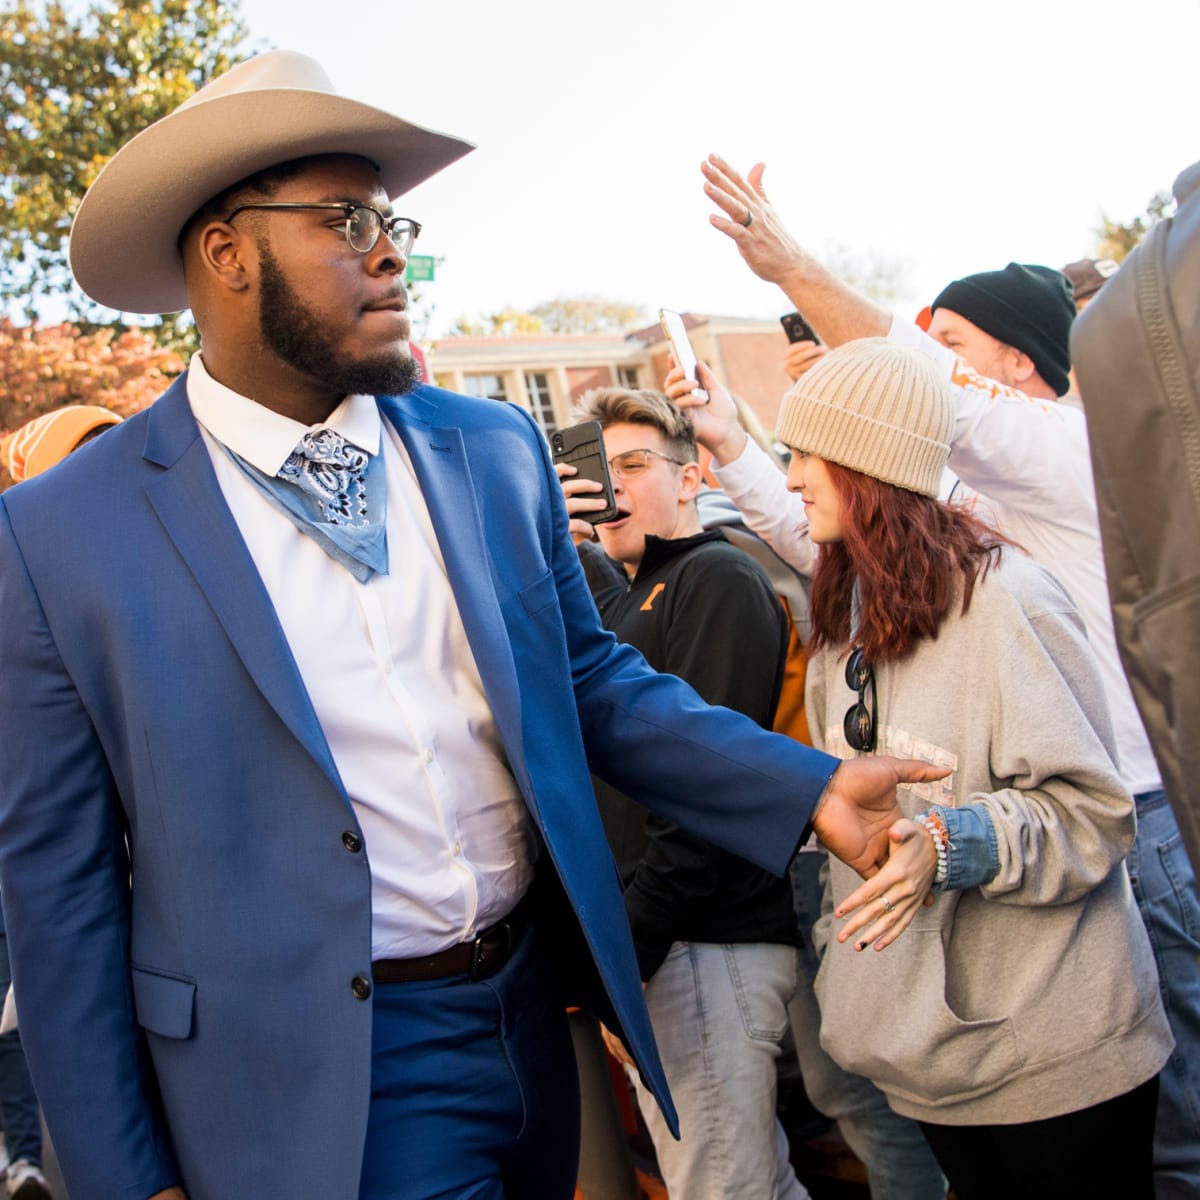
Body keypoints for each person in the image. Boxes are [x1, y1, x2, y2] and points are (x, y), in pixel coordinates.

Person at [0, 54, 949, 1200]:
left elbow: (589, 681)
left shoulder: (491, 451)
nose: (393, 249)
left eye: (395, 219)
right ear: (227, 252)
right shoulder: (60, 536)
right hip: (318, 1076)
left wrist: (801, 786)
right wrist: (122, 1177)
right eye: (347, 219)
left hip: (534, 1016)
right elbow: (59, 895)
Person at [690, 153, 1200, 1199]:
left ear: (1013, 363)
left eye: (952, 346)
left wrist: (796, 273)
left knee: (1172, 1134)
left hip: (1128, 834)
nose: (933, 361)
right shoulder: (897, 569)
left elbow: (909, 401)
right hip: (967, 1000)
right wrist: (740, 448)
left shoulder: (1061, 459)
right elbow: (821, 523)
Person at [778, 337, 1172, 1198]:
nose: (792, 477)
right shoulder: (838, 629)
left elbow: (1094, 813)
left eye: (807, 453)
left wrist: (952, 843)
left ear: (870, 463)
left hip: (1054, 1057)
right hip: (925, 1061)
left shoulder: (1009, 603)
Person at [559, 386, 807, 1200]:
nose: (615, 487)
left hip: (705, 943)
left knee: (720, 1189)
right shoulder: (633, 594)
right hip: (668, 947)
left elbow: (705, 792)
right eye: (602, 469)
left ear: (692, 475)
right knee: (750, 1182)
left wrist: (624, 960)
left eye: (634, 464)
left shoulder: (719, 576)